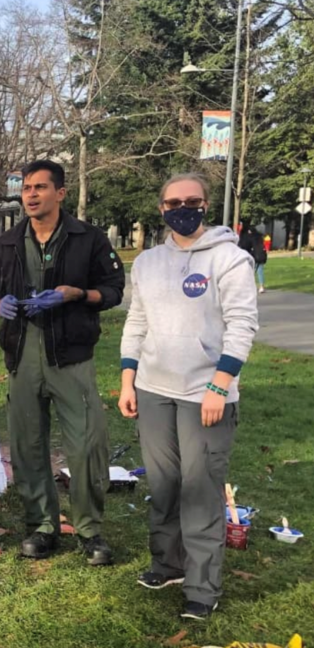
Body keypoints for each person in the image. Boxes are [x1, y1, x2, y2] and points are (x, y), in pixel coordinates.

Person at [119, 173, 258, 621]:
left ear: (205, 205)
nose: (183, 207)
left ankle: (202, 587)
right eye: (174, 201)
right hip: (154, 390)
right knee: (163, 487)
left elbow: (242, 326)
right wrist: (127, 379)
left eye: (192, 200)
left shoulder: (230, 259)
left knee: (200, 490)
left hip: (206, 395)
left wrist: (220, 385)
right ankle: (168, 564)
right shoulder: (147, 262)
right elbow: (136, 324)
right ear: (162, 208)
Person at [0, 159, 124, 565]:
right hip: (22, 354)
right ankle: (42, 526)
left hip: (70, 355)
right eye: (26, 188)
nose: (31, 194)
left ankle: (89, 530)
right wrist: (0, 306)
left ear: (60, 193)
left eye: (40, 187)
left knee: (85, 445)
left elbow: (113, 289)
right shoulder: (6, 242)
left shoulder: (88, 238)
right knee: (28, 445)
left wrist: (77, 294)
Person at [237, 225, 267, 293]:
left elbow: (246, 246)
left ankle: (251, 286)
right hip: (261, 255)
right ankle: (261, 286)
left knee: (251, 271)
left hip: (254, 256)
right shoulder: (259, 237)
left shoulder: (249, 237)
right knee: (260, 271)